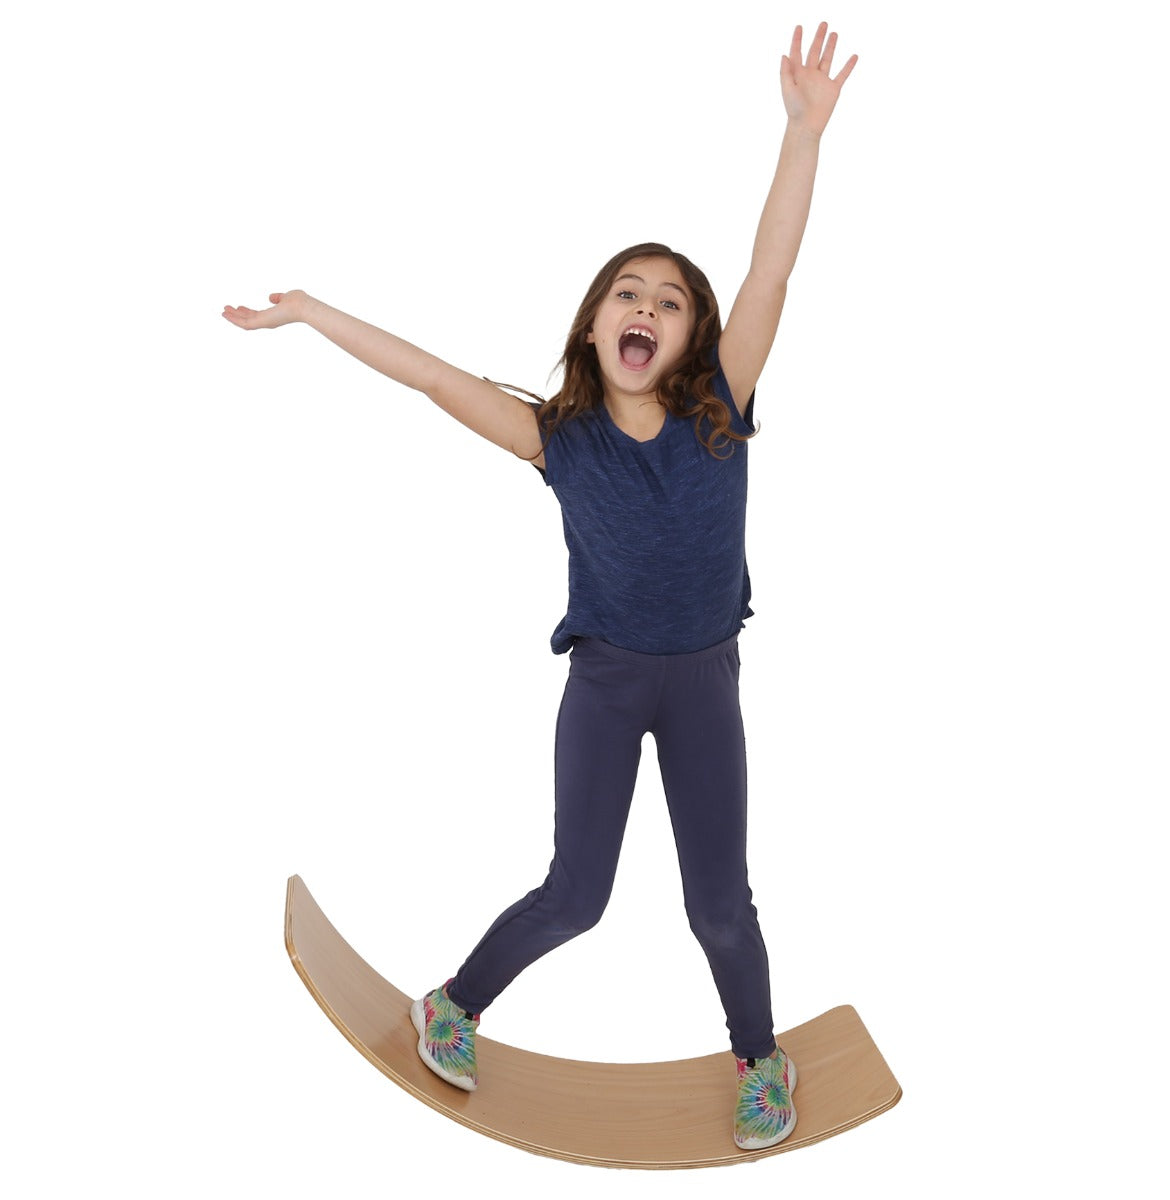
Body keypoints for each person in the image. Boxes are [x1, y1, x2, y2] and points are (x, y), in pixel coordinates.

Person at [225, 22, 856, 1151]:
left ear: (693, 336)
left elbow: (771, 267)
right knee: (578, 893)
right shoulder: (555, 439)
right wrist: (314, 312)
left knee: (720, 903)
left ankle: (760, 1060)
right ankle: (453, 1008)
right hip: (608, 683)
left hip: (704, 683)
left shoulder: (723, 405)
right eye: (627, 293)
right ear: (595, 325)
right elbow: (432, 378)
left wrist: (801, 136)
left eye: (669, 300)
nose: (646, 307)